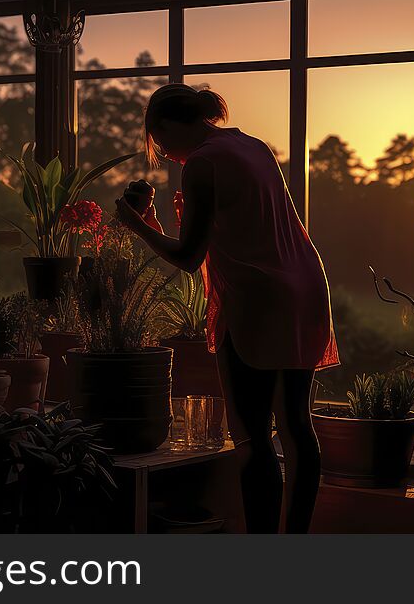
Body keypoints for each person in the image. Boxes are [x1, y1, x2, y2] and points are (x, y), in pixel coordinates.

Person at [115, 83, 339, 533]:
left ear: (166, 126)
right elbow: (239, 226)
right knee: (297, 425)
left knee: (251, 436)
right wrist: (163, 224)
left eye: (159, 142)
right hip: (304, 286)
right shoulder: (251, 145)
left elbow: (188, 257)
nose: (165, 154)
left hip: (256, 298)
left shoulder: (202, 163)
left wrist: (137, 226)